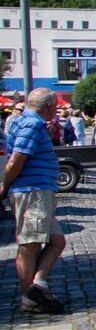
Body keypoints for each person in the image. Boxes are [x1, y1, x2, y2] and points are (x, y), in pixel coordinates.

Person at [2, 88, 66, 315]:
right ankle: (30, 297)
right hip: (32, 191)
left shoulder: (27, 123)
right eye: (55, 107)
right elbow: (16, 160)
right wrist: (5, 186)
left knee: (57, 241)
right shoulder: (32, 124)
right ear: (48, 106)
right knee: (30, 244)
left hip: (38, 190)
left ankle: (38, 285)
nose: (56, 110)